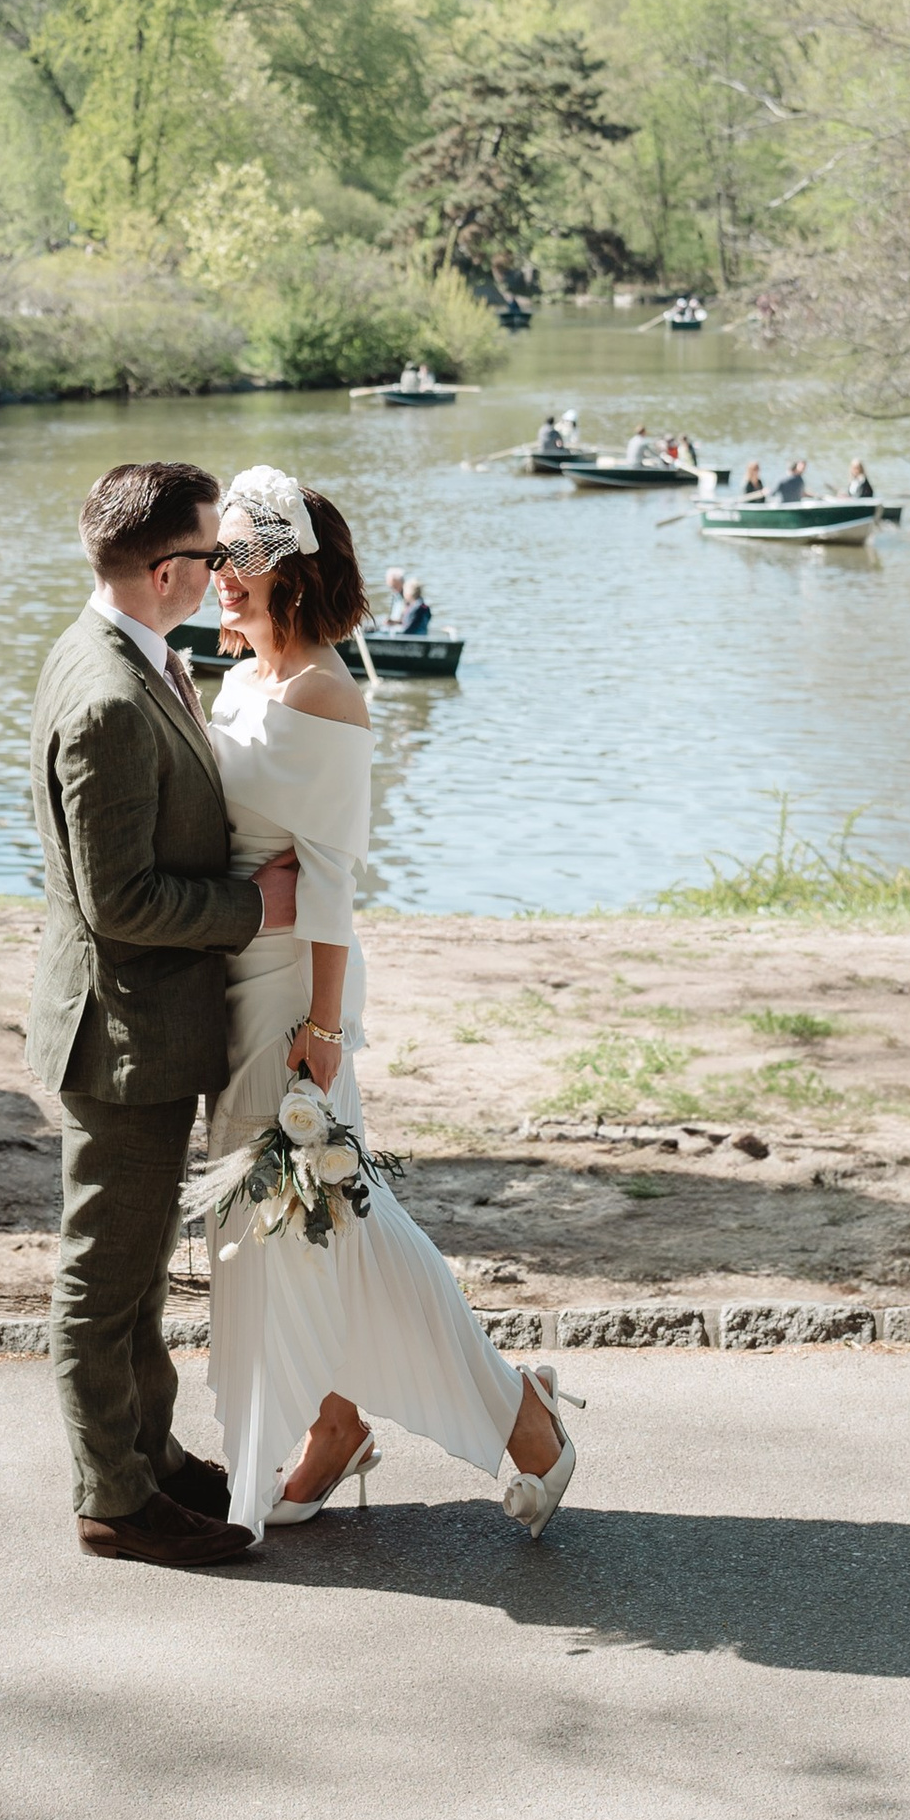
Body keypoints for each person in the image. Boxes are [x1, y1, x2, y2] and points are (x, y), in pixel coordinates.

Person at [190, 465, 577, 1538]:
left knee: (337, 1220)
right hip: (234, 987)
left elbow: (328, 881)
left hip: (292, 1002)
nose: (219, 574)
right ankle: (336, 1422)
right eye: (216, 556)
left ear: (291, 567)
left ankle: (521, 1418)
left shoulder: (324, 691)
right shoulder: (239, 678)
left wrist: (320, 1030)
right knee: (272, 1226)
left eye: (237, 556)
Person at [26, 460, 302, 1571]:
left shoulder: (128, 653)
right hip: (121, 1031)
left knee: (139, 1270)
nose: (225, 569)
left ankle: (149, 1456)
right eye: (210, 553)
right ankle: (113, 1499)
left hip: (147, 1023)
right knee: (105, 1276)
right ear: (161, 570)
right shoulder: (103, 694)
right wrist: (254, 906)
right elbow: (121, 901)